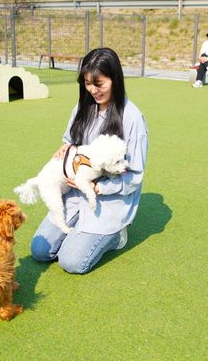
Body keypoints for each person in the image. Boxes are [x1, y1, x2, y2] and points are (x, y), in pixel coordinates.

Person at [30, 47, 149, 274]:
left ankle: (116, 235)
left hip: (107, 201)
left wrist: (99, 187)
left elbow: (134, 176)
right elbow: (70, 140)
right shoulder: (82, 107)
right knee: (40, 250)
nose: (93, 90)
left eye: (99, 83)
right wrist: (65, 149)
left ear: (115, 79)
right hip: (75, 193)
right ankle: (78, 230)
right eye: (87, 83)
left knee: (71, 262)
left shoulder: (132, 118)